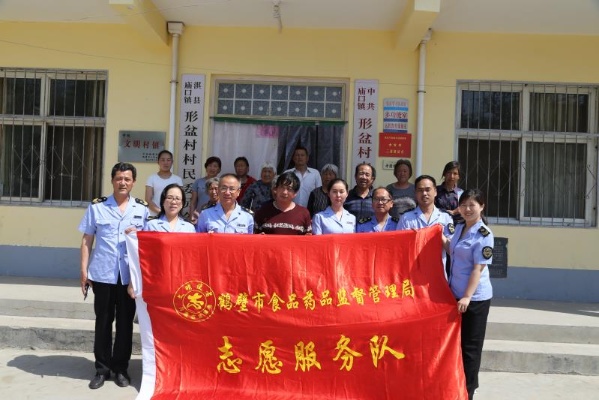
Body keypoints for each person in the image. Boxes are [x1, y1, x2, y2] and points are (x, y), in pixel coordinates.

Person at [78, 162, 149, 390]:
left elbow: (148, 243)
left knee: (125, 324)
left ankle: (120, 369)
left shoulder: (142, 209)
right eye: (119, 178)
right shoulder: (97, 207)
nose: (123, 183)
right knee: (103, 322)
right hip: (102, 274)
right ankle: (102, 369)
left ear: (133, 182)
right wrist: (84, 271)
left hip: (129, 276)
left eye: (127, 179)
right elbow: (87, 240)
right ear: (112, 180)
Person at [442, 189, 494, 400]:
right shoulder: (459, 228)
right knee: (456, 345)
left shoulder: (484, 235)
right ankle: (457, 387)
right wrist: (436, 235)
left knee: (470, 348)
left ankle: (468, 391)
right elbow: (452, 250)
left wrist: (467, 297)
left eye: (472, 205)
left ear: (482, 207)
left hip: (474, 299)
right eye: (463, 205)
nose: (467, 209)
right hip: (455, 295)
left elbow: (477, 269)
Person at [397, 175, 454, 275]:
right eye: (420, 190)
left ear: (435, 192)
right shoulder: (406, 218)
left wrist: (439, 234)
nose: (424, 193)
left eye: (428, 190)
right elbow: (398, 249)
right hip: (413, 274)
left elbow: (451, 250)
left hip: (438, 274)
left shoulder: (445, 217)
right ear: (415, 193)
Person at [144, 150, 183, 216]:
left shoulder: (177, 180)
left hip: (172, 215)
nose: (165, 163)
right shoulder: (152, 178)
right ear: (158, 162)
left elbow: (180, 199)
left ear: (172, 162)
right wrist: (160, 212)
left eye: (168, 160)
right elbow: (148, 199)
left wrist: (170, 212)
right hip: (154, 215)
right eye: (163, 160)